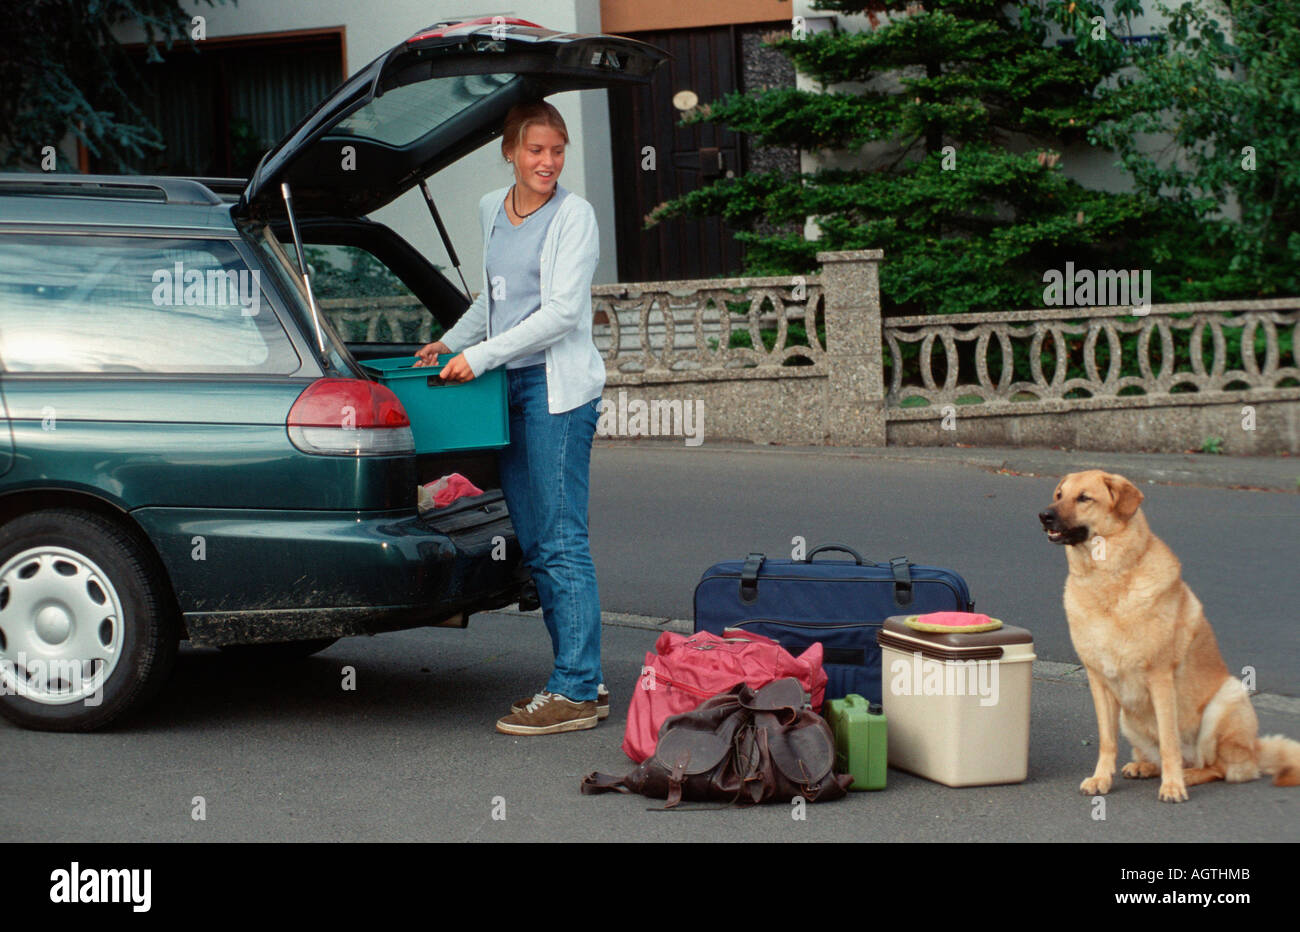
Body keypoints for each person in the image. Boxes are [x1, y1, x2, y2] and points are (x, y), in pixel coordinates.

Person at [415, 100, 608, 736]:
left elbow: (559, 314)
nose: (548, 162)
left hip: (557, 391)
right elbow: (494, 302)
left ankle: (576, 689)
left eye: (557, 150)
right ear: (510, 152)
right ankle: (581, 680)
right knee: (536, 537)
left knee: (560, 540)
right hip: (508, 387)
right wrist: (451, 341)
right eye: (536, 150)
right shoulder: (489, 210)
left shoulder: (573, 216)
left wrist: (479, 355)